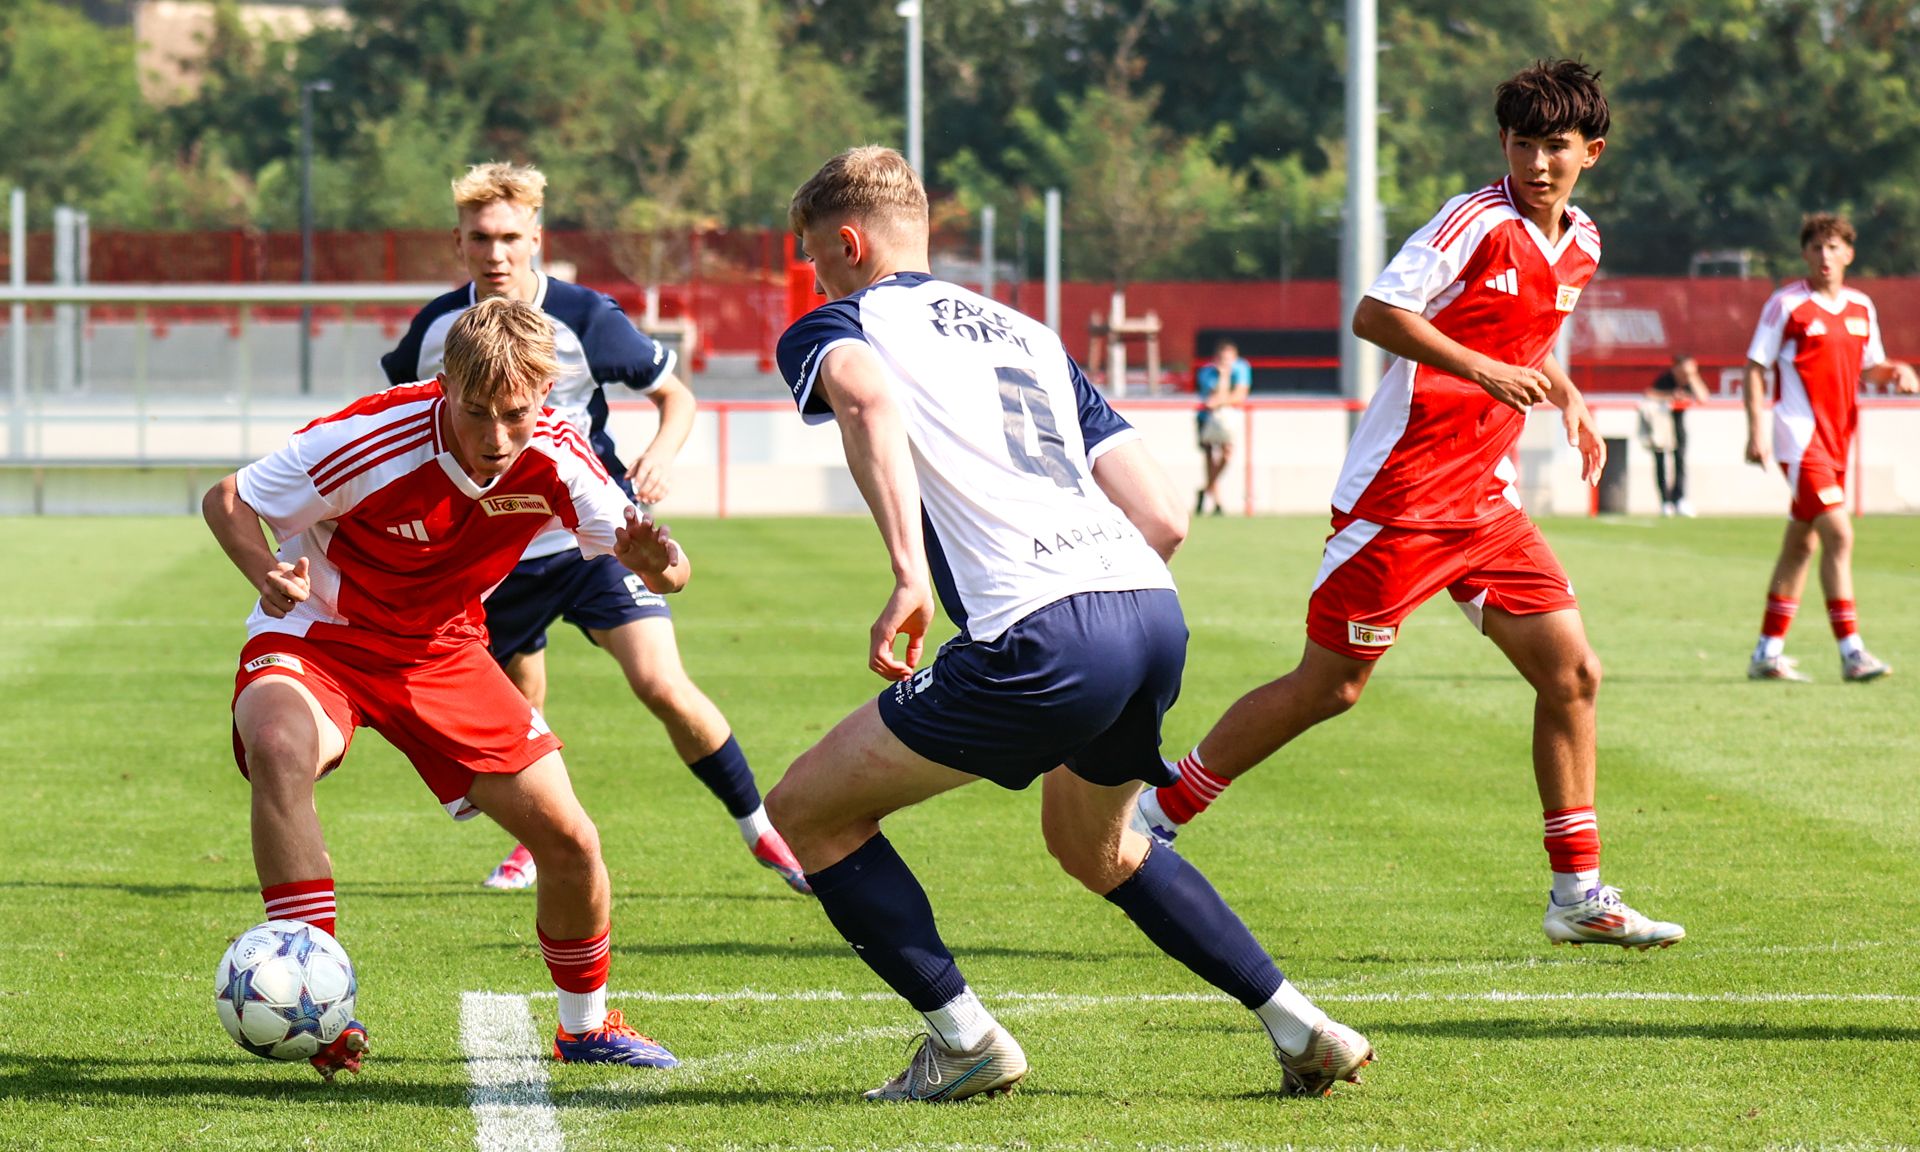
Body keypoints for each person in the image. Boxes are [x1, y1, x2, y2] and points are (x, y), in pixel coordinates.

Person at [762, 146, 1371, 1104]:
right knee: (1100, 846)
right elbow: (1165, 513)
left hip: (1041, 635)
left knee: (805, 810)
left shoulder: (841, 321)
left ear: (846, 242)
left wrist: (908, 575)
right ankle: (1303, 1027)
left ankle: (962, 1042)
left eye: (811, 254)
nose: (811, 274)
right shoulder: (1028, 334)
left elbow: (866, 395)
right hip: (1149, 611)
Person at [1133, 60, 1686, 951]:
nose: (1537, 162)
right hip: (1400, 499)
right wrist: (1481, 369)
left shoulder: (1581, 242)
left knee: (1573, 675)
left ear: (1593, 152)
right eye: (1521, 143)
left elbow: (1528, 339)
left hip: (1485, 504)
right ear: (1502, 144)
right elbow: (1377, 313)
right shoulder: (1472, 222)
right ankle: (1156, 812)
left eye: (1556, 146)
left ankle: (1577, 895)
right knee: (1331, 688)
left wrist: (1570, 398)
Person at [207, 297, 689, 1075]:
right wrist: (266, 571)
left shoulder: (561, 455)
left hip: (442, 654)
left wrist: (657, 561)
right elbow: (228, 498)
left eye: (515, 415)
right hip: (323, 637)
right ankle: (319, 1010)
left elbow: (673, 571)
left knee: (570, 843)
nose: (496, 438)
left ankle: (586, 1028)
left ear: (543, 398)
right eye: (476, 413)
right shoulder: (369, 435)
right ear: (444, 385)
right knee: (277, 742)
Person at [380, 163, 808, 894]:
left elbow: (675, 394)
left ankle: (764, 830)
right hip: (493, 556)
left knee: (662, 684)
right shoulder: (435, 331)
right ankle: (534, 844)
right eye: (481, 238)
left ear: (537, 238)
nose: (497, 254)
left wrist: (661, 455)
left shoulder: (582, 315)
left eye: (512, 237)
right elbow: (402, 426)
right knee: (517, 710)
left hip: (592, 539)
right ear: (458, 243)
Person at [1740, 213, 1919, 682]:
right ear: (1805, 254)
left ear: (1849, 254)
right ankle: (1852, 652)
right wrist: (1756, 429)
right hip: (1799, 439)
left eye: (1833, 247)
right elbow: (1756, 366)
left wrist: (1897, 372)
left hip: (1839, 440)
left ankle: (1767, 651)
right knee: (1840, 534)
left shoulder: (1862, 306)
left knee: (1802, 544)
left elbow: (1871, 367)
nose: (1825, 256)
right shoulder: (1787, 304)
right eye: (1816, 247)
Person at [1642, 353, 1709, 517]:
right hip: (1662, 424)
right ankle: (1665, 501)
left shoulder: (1690, 380)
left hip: (1678, 425)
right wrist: (1670, 395)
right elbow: (1650, 393)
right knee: (1661, 462)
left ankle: (1679, 498)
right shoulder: (1666, 379)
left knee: (1680, 461)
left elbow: (1703, 398)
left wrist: (1693, 377)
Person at [1195, 341, 1251, 515]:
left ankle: (1206, 490)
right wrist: (1223, 377)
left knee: (1226, 453)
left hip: (1228, 420)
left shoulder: (1242, 368)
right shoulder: (1206, 372)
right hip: (1207, 419)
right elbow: (1215, 396)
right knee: (1209, 457)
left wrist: (1220, 400)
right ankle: (1217, 501)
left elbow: (1239, 395)